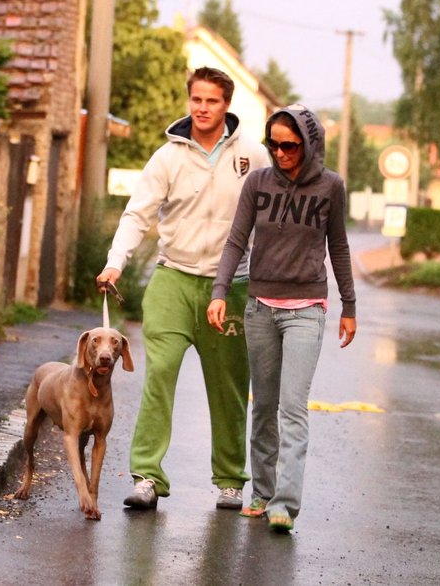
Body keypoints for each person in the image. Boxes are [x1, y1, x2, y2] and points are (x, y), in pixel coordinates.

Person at [96, 66, 271, 511]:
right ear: (189, 100)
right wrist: (115, 262)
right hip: (173, 278)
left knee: (230, 384)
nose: (203, 108)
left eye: (212, 100)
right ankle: (146, 477)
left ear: (226, 104)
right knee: (159, 375)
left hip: (231, 286)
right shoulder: (167, 157)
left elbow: (273, 218)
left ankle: (231, 480)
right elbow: (137, 214)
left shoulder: (252, 155)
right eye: (196, 99)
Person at [206, 104, 357, 533]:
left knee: (292, 408)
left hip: (307, 309)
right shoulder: (257, 182)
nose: (280, 152)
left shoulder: (331, 187)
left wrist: (349, 306)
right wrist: (220, 293)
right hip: (259, 307)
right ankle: (262, 492)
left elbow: (340, 248)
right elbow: (236, 241)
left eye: (289, 145)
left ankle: (285, 505)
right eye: (273, 144)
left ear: (309, 144)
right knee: (264, 406)